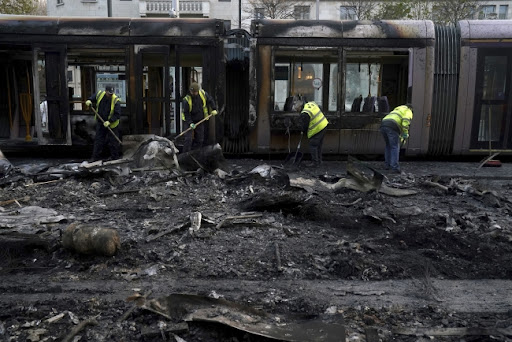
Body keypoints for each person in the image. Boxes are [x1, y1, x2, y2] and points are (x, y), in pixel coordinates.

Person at [85, 85, 121, 162]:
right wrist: (89, 100)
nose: (110, 95)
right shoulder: (100, 94)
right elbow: (93, 98)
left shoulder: (115, 100)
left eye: (111, 93)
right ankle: (95, 157)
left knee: (113, 142)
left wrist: (110, 121)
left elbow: (117, 114)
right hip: (101, 122)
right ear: (105, 91)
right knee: (99, 140)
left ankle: (115, 158)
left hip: (112, 124)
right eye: (109, 93)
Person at [181, 82, 218, 153]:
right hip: (188, 120)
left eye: (195, 92)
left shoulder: (203, 94)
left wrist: (214, 109)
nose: (193, 93)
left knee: (200, 139)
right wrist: (190, 123)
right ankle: (185, 155)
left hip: (200, 119)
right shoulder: (186, 100)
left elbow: (210, 100)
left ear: (197, 91)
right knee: (188, 139)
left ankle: (196, 153)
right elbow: (186, 113)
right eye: (192, 92)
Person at [379, 104, 413, 173]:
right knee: (394, 147)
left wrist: (401, 136)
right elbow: (405, 122)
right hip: (392, 126)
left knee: (388, 146)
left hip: (383, 124)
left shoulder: (397, 109)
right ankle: (395, 167)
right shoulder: (408, 110)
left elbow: (397, 128)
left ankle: (387, 165)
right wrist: (405, 133)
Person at [300, 101, 329, 167]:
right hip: (324, 125)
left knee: (313, 145)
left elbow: (305, 125)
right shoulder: (310, 104)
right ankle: (319, 161)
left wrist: (302, 130)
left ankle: (315, 163)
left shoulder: (305, 113)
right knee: (318, 145)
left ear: (300, 107)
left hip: (318, 128)